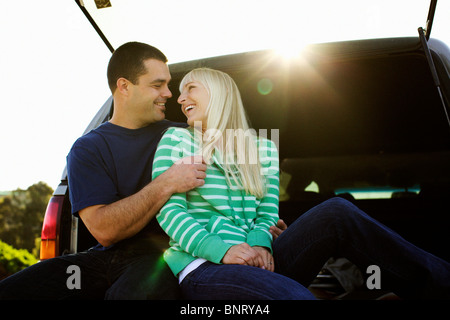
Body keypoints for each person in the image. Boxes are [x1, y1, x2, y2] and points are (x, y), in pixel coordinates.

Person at [0, 42, 207, 299]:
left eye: (167, 84)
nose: (168, 93)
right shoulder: (88, 148)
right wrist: (167, 183)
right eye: (157, 85)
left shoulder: (184, 137)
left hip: (162, 256)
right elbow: (105, 230)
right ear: (124, 87)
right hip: (101, 259)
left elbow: (238, 183)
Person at [151, 67, 315, 299]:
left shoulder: (264, 148)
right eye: (181, 92)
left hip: (258, 259)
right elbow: (169, 212)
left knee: (337, 212)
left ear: (219, 93)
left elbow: (267, 215)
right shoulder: (176, 139)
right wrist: (222, 250)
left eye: (190, 88)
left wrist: (259, 244)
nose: (180, 99)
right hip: (204, 265)